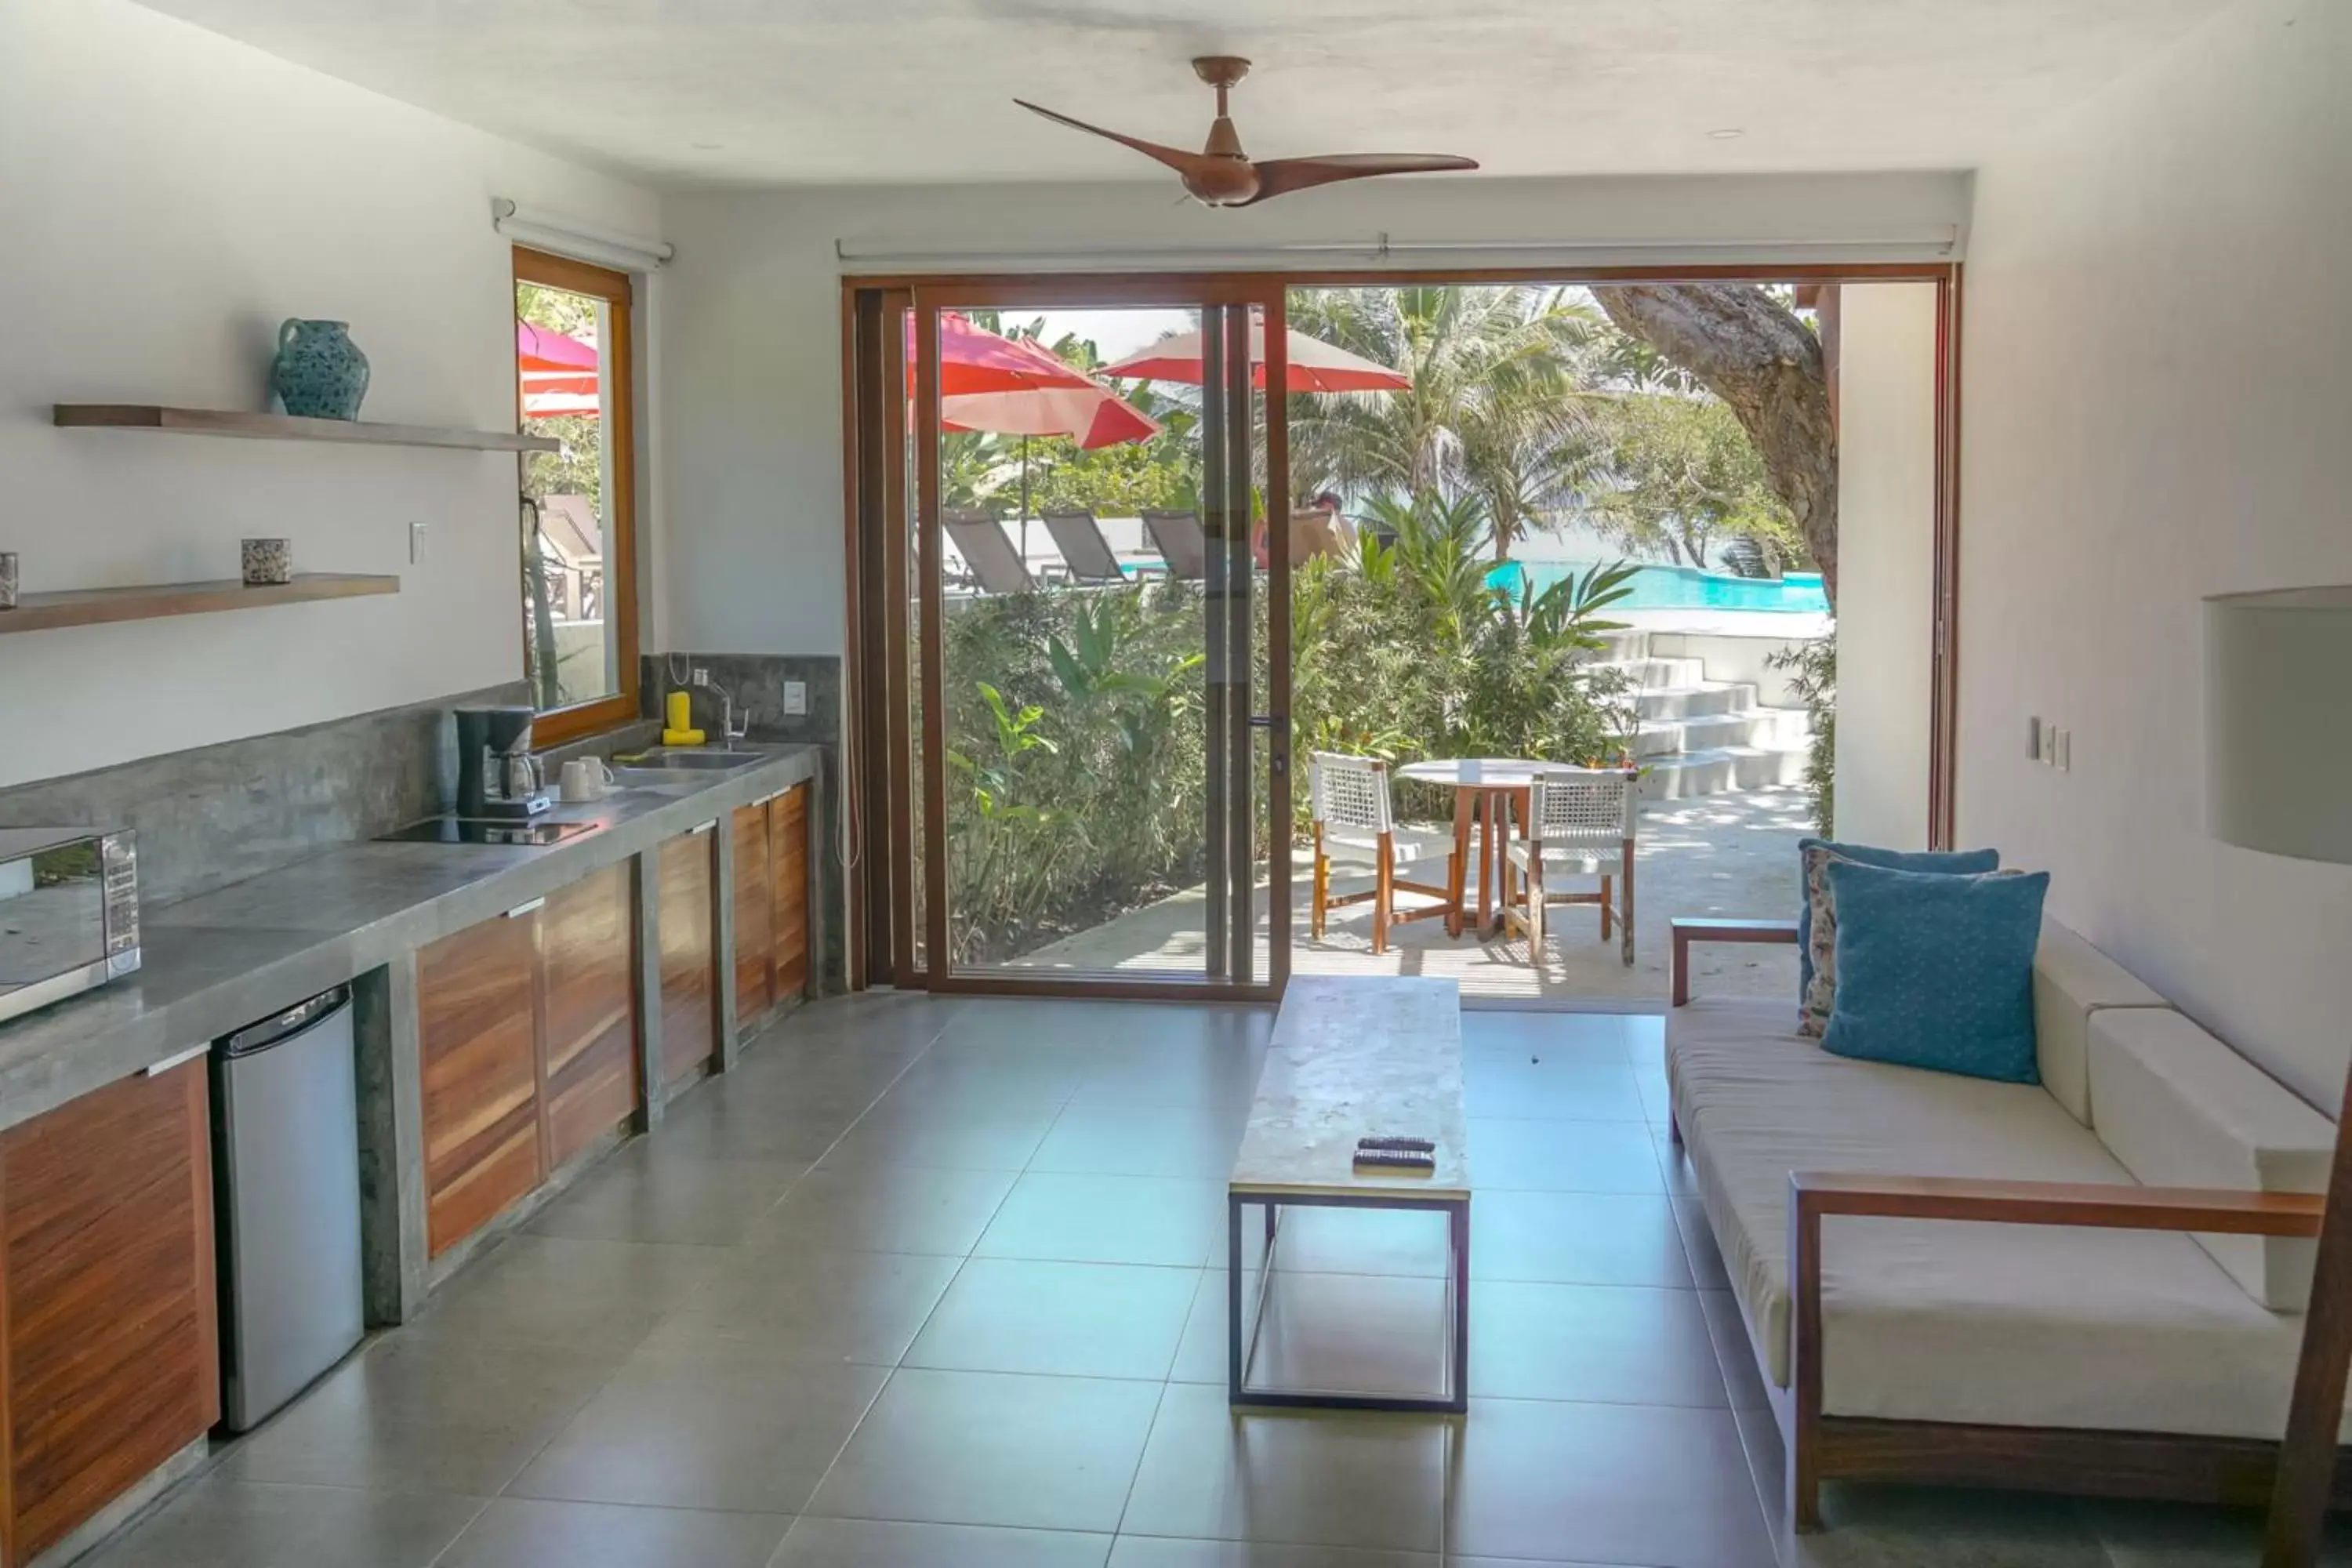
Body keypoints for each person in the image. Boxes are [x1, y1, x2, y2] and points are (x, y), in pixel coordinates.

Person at [1254, 491, 1356, 569]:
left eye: (1318, 506)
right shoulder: (1350, 530)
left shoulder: (1326, 525)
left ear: (1328, 506)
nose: (1314, 509)